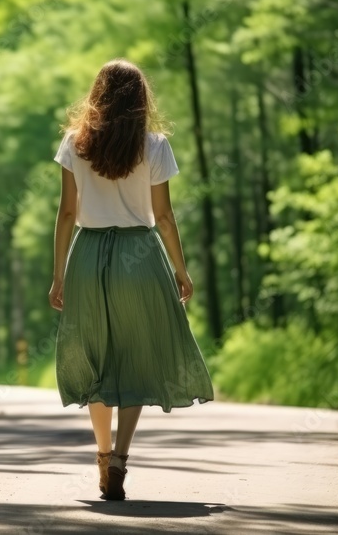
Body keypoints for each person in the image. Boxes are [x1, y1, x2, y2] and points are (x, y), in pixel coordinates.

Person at [48, 58, 214, 501]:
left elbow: (66, 213)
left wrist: (58, 274)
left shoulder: (74, 144)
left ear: (97, 95)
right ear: (141, 99)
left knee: (96, 356)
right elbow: (163, 216)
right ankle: (121, 456)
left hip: (87, 255)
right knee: (136, 355)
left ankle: (102, 455)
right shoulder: (155, 146)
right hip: (139, 259)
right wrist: (181, 269)